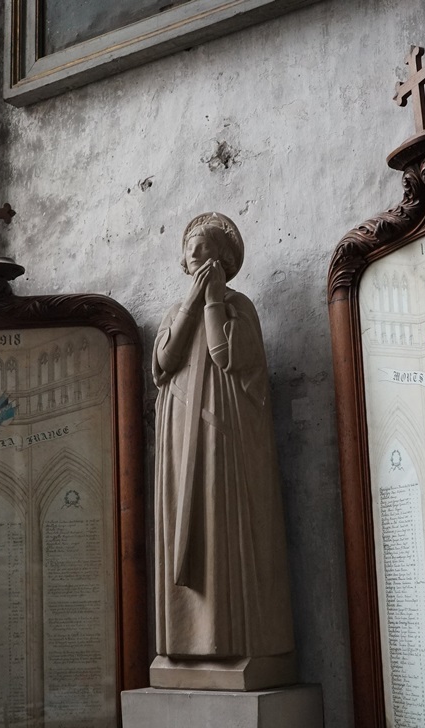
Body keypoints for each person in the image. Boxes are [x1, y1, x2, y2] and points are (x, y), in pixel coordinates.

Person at [152, 212, 294, 664]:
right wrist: (194, 304)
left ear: (222, 259)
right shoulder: (176, 313)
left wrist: (213, 300)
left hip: (224, 436)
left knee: (219, 522)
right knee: (185, 525)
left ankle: (232, 639)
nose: (192, 254)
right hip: (180, 434)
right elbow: (166, 360)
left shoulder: (238, 308)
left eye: (202, 247)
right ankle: (186, 641)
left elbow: (226, 355)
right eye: (189, 248)